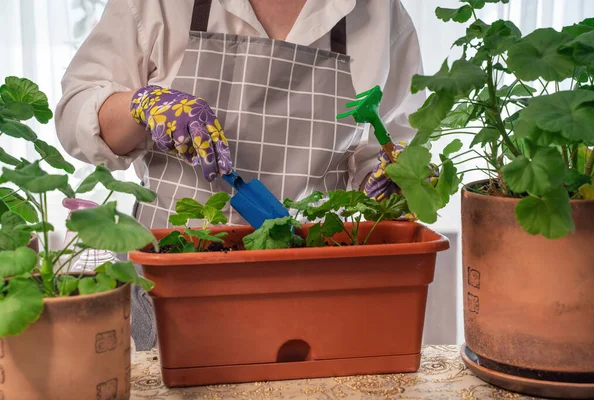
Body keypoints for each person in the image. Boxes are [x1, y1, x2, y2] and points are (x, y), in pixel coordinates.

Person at [55, 0, 424, 350]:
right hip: (172, 285)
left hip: (313, 285)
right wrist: (143, 105)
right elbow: (76, 112)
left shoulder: (377, 11)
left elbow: (392, 142)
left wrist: (389, 178)